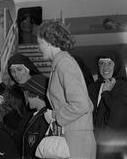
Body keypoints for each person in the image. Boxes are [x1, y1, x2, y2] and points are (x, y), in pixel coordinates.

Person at [37, 20, 96, 159]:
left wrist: (55, 116)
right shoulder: (61, 63)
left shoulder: (64, 64)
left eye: (39, 43)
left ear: (48, 41)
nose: (39, 48)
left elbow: (81, 105)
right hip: (73, 136)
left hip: (76, 140)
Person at [88, 50, 127, 159]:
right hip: (94, 143)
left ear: (116, 66)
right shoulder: (93, 87)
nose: (105, 67)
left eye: (109, 63)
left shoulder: (123, 88)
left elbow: (119, 114)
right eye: (101, 63)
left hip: (114, 146)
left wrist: (106, 94)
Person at [20, 74, 52, 159]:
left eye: (28, 95)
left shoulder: (45, 118)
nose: (26, 99)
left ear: (36, 94)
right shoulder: (36, 116)